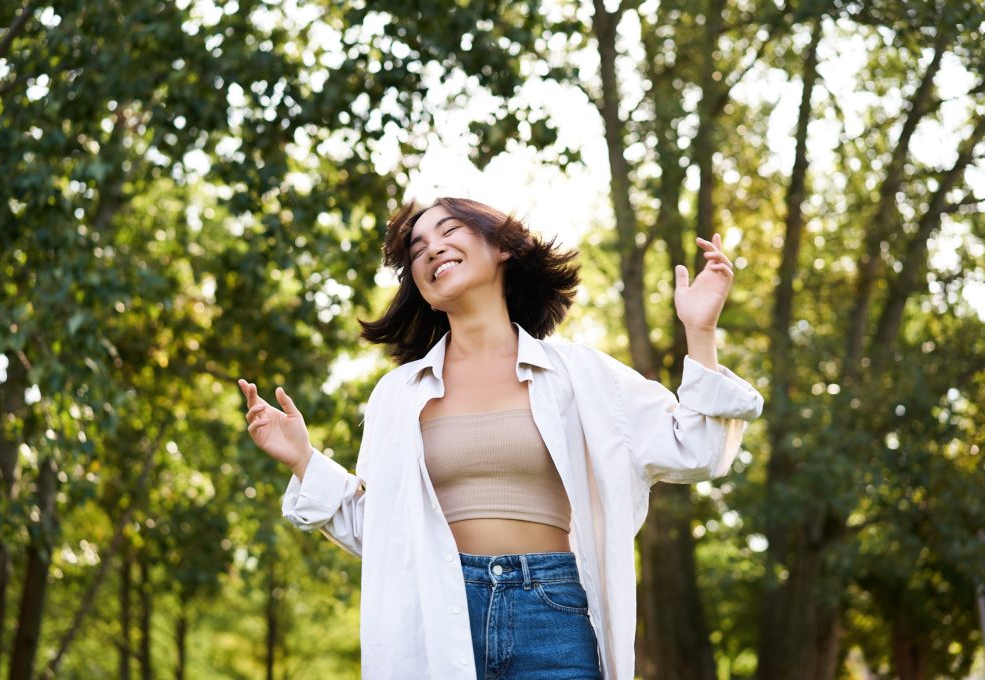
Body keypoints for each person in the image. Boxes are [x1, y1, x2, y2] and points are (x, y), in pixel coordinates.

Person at [238, 197, 763, 680]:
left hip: (553, 612)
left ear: (503, 247)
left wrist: (700, 331)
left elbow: (698, 450)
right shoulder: (398, 394)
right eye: (416, 249)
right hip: (438, 612)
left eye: (449, 230)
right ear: (419, 285)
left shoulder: (579, 375)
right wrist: (303, 460)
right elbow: (382, 534)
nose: (431, 249)